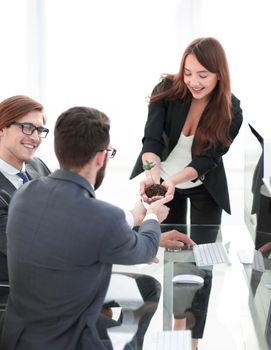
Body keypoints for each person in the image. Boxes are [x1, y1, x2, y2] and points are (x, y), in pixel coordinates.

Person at [0, 105, 174, 350]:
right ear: (101, 157)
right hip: (68, 336)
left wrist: (133, 217)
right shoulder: (104, 217)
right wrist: (153, 217)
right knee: (130, 332)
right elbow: (144, 249)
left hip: (19, 329)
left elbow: (72, 219)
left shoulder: (25, 192)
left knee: (144, 288)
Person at [130, 37, 243, 349]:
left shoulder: (232, 109)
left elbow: (208, 160)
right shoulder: (166, 91)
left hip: (204, 187)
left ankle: (193, 340)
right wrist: (154, 178)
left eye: (203, 75)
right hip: (166, 185)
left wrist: (173, 179)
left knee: (204, 262)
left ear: (219, 74)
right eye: (189, 72)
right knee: (177, 260)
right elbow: (150, 141)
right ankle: (175, 328)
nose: (193, 81)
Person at [0, 95, 50, 288]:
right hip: (13, 296)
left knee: (146, 289)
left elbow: (70, 213)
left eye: (40, 130)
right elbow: (28, 248)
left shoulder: (38, 167)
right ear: (2, 128)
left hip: (52, 284)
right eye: (27, 128)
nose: (36, 138)